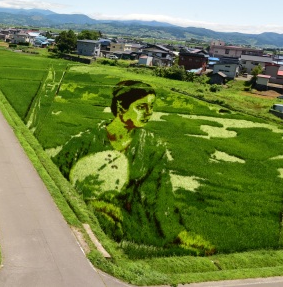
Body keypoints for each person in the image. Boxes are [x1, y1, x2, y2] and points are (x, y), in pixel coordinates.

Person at [52, 80, 210, 253]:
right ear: (121, 107)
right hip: (84, 214)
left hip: (131, 221)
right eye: (141, 107)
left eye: (152, 106)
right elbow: (53, 178)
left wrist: (178, 233)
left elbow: (161, 198)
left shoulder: (152, 146)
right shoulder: (85, 142)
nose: (149, 113)